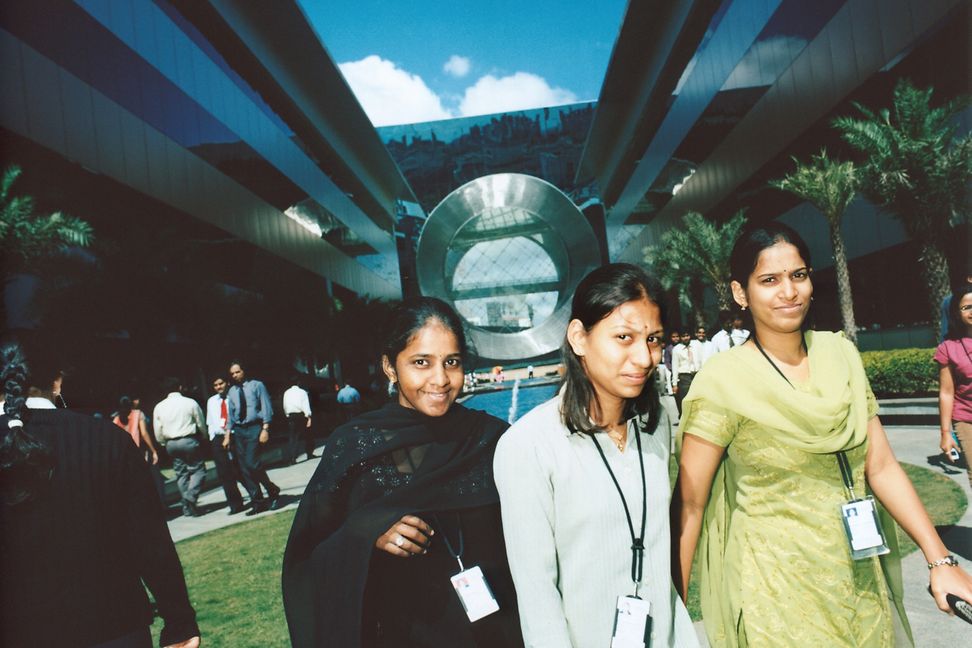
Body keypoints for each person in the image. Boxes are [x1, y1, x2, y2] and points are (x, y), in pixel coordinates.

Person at [672, 222, 972, 647]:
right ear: (741, 293)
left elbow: (881, 466)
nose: (789, 292)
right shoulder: (722, 381)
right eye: (769, 280)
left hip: (857, 575)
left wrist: (939, 558)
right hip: (773, 589)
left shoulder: (839, 354)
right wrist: (673, 615)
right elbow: (690, 504)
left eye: (798, 275)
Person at [282, 297, 523, 648]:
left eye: (451, 362)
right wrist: (365, 534)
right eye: (421, 363)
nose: (440, 379)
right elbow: (308, 558)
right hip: (399, 633)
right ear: (390, 367)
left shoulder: (490, 439)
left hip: (492, 634)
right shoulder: (356, 446)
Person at [494, 263, 698, 648]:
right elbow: (537, 595)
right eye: (624, 337)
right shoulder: (529, 446)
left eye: (653, 339)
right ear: (579, 338)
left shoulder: (652, 432)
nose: (644, 357)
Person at [0, 340, 200, 647]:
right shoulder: (107, 439)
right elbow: (149, 541)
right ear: (57, 381)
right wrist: (179, 621)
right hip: (115, 627)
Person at [228, 360, 281, 515]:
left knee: (252, 463)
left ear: (244, 371)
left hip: (254, 428)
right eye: (232, 373)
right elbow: (231, 415)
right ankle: (258, 501)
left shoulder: (257, 385)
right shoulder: (231, 391)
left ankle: (272, 489)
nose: (235, 375)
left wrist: (265, 428)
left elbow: (266, 407)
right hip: (239, 431)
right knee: (244, 468)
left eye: (237, 372)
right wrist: (228, 434)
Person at [153, 377, 207, 518]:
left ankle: (188, 508)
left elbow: (157, 429)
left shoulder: (159, 406)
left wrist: (163, 443)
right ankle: (190, 498)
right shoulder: (189, 402)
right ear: (180, 388)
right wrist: (204, 434)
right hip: (188, 439)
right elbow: (200, 421)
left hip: (171, 442)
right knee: (199, 471)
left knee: (181, 474)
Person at [937, 284, 972, 487]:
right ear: (956, 313)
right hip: (966, 418)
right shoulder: (948, 348)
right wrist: (945, 433)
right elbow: (946, 393)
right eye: (966, 307)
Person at [205, 376, 247, 515]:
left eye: (221, 383)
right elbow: (210, 421)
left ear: (227, 383)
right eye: (215, 385)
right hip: (218, 438)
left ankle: (256, 496)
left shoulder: (233, 397)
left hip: (234, 435)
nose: (219, 387)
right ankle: (235, 504)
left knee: (240, 468)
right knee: (224, 473)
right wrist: (213, 437)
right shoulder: (211, 401)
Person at [113, 395, 160, 465]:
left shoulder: (116, 419)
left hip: (122, 452)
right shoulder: (138, 414)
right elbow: (144, 433)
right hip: (137, 449)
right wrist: (153, 450)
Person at [283, 376, 315, 463]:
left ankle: (293, 457)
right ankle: (309, 453)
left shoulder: (286, 393)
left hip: (291, 416)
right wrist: (309, 417)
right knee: (308, 435)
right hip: (301, 415)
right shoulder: (302, 392)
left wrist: (287, 415)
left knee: (293, 437)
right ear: (298, 383)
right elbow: (305, 405)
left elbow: (285, 405)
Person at [670, 329, 696, 416]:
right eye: (683, 336)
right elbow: (675, 367)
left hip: (695, 376)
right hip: (684, 377)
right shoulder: (677, 349)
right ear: (680, 337)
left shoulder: (695, 346)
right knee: (685, 401)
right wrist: (675, 384)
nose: (686, 338)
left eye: (687, 335)